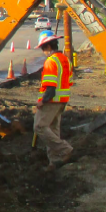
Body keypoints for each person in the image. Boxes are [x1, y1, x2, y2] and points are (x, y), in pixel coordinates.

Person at [34, 30, 75, 170]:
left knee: (39, 126)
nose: (43, 51)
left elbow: (50, 88)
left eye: (43, 48)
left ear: (48, 47)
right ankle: (55, 161)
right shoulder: (65, 60)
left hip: (52, 101)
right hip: (62, 100)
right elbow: (68, 82)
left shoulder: (51, 62)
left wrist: (42, 101)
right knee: (52, 129)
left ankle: (65, 149)